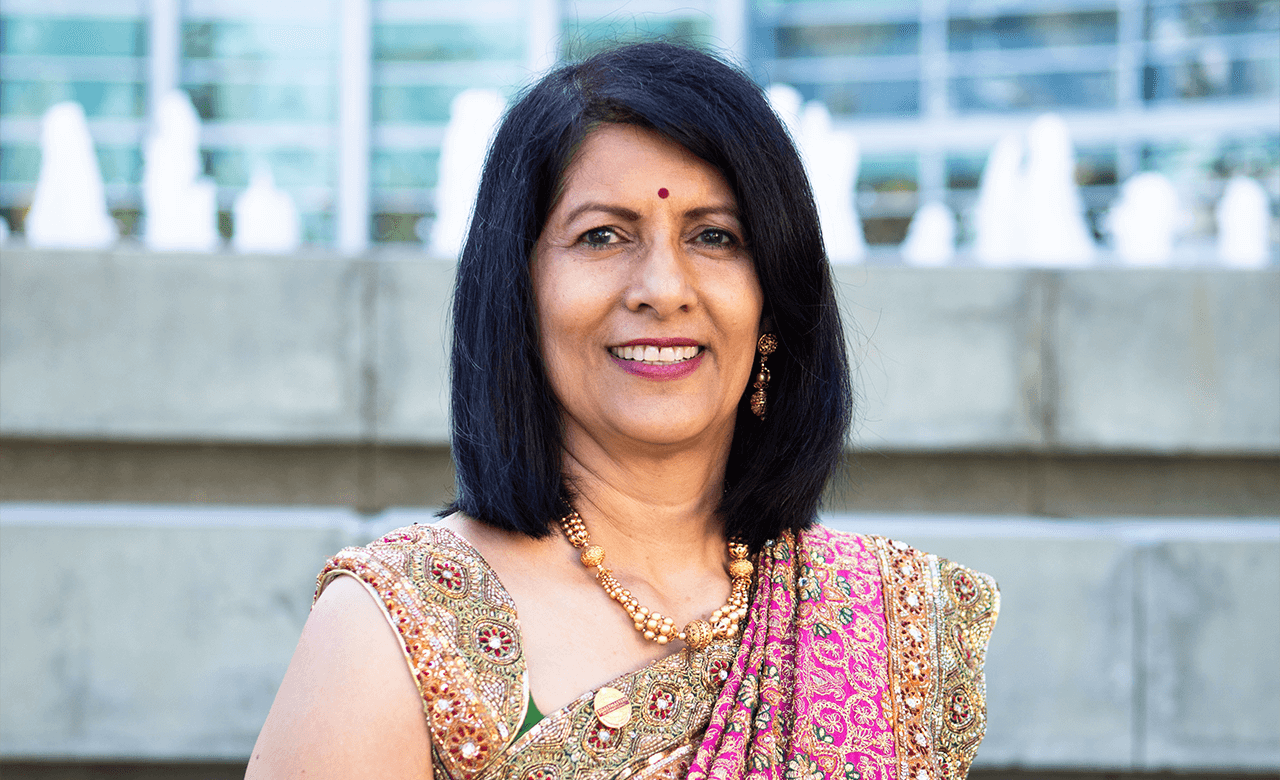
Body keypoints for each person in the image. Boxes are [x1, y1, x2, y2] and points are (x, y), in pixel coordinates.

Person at [246, 42, 998, 780]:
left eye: (715, 236)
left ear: (773, 300)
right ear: (519, 291)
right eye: (602, 235)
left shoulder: (870, 624)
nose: (662, 287)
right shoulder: (399, 628)